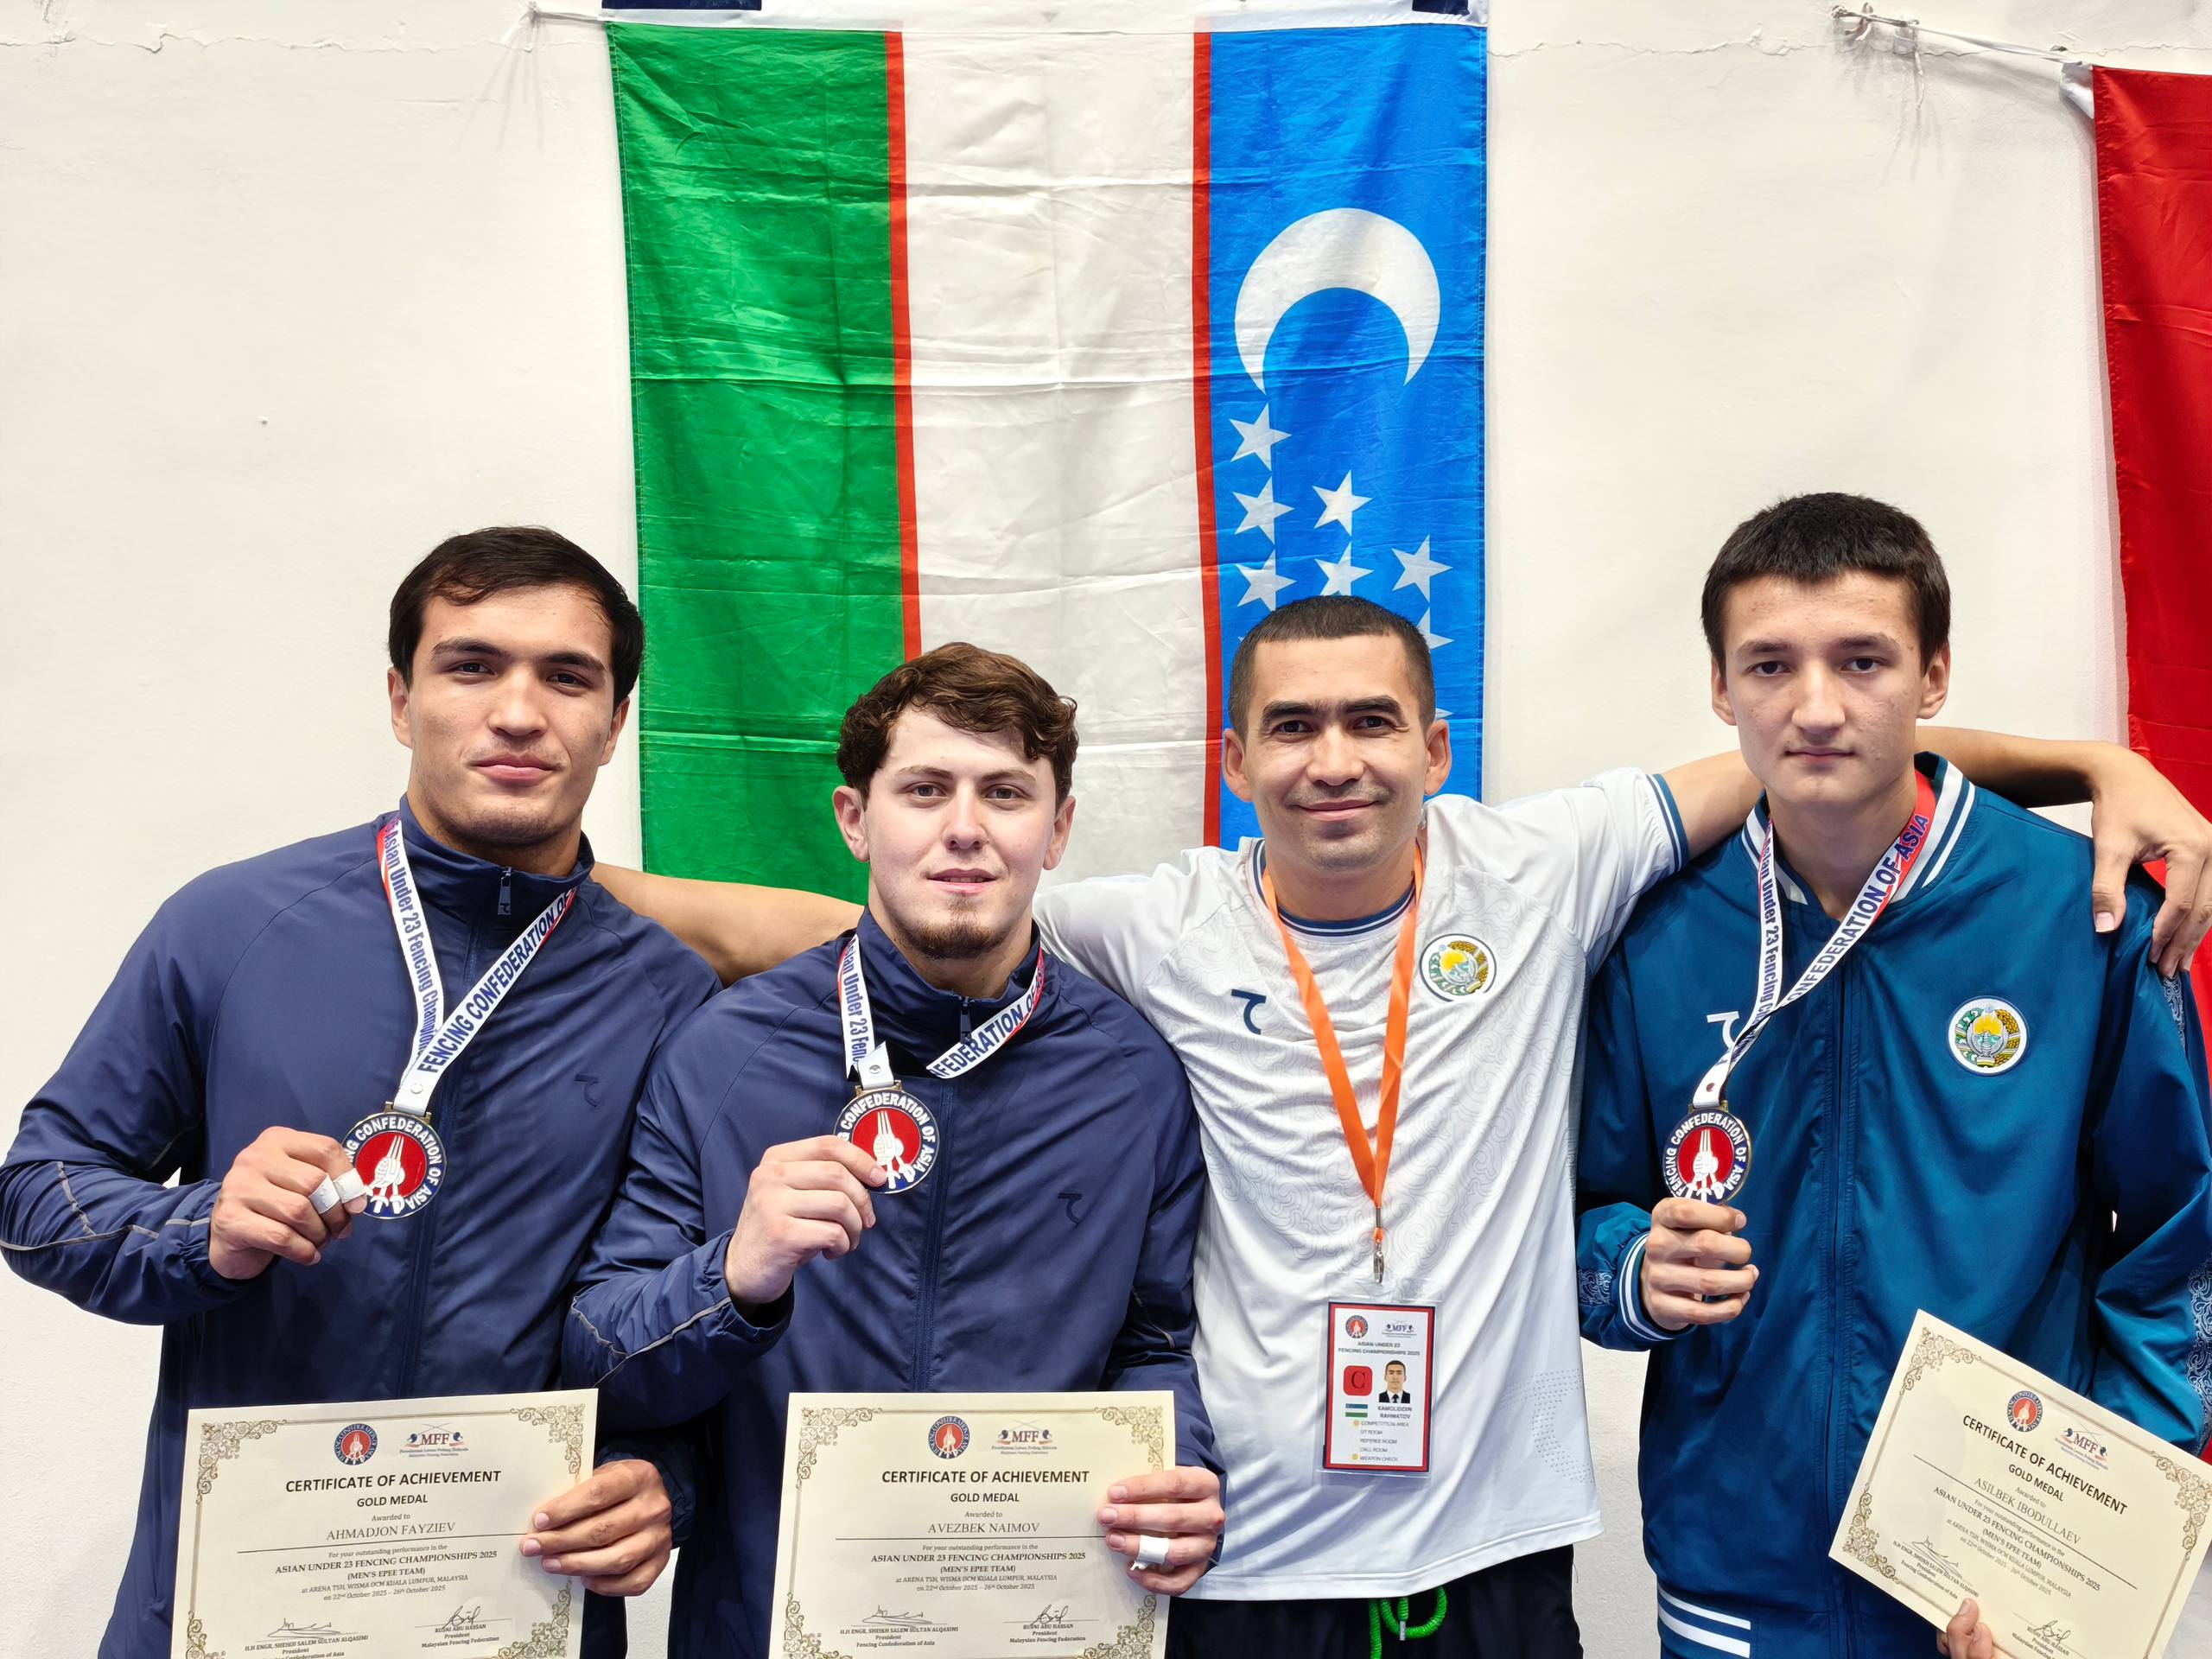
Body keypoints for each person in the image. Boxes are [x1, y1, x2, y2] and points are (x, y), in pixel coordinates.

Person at [601, 594, 2212, 1659]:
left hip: (1494, 1551)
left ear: (1436, 749)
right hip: (1243, 1562)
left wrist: (2090, 762)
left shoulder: (1543, 867)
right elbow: (865, 918)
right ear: (1236, 762)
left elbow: (1813, 754)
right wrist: (568, 880)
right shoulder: (1145, 928)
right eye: (1293, 728)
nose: (1335, 761)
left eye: (1373, 723)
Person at [0, 527, 741, 1659]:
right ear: (402, 700)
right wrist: (203, 1227)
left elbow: (678, 1311)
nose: (518, 712)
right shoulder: (231, 926)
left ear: (614, 722)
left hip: (513, 1611)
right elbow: (36, 1198)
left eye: (567, 677)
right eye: (472, 666)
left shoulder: (673, 999)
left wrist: (665, 1482)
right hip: (232, 1615)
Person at [1573, 494, 2212, 1659]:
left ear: (1934, 677)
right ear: (1720, 688)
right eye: (1770, 664)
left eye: (1862, 661)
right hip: (1737, 1579)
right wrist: (1630, 1271)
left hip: (1995, 1588)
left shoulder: (2085, 914)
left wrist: (2095, 1532)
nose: (1816, 706)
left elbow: (2181, 1240)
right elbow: (1577, 1207)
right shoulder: (1653, 929)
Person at [562, 644, 1224, 1659]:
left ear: (1057, 829)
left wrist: (1175, 1468)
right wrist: (734, 1276)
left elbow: (1154, 1344)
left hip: (1033, 1630)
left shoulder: (1132, 1075)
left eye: (1005, 792)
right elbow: (599, 1362)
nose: (964, 827)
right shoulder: (723, 1052)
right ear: (855, 820)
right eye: (924, 789)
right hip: (767, 1631)